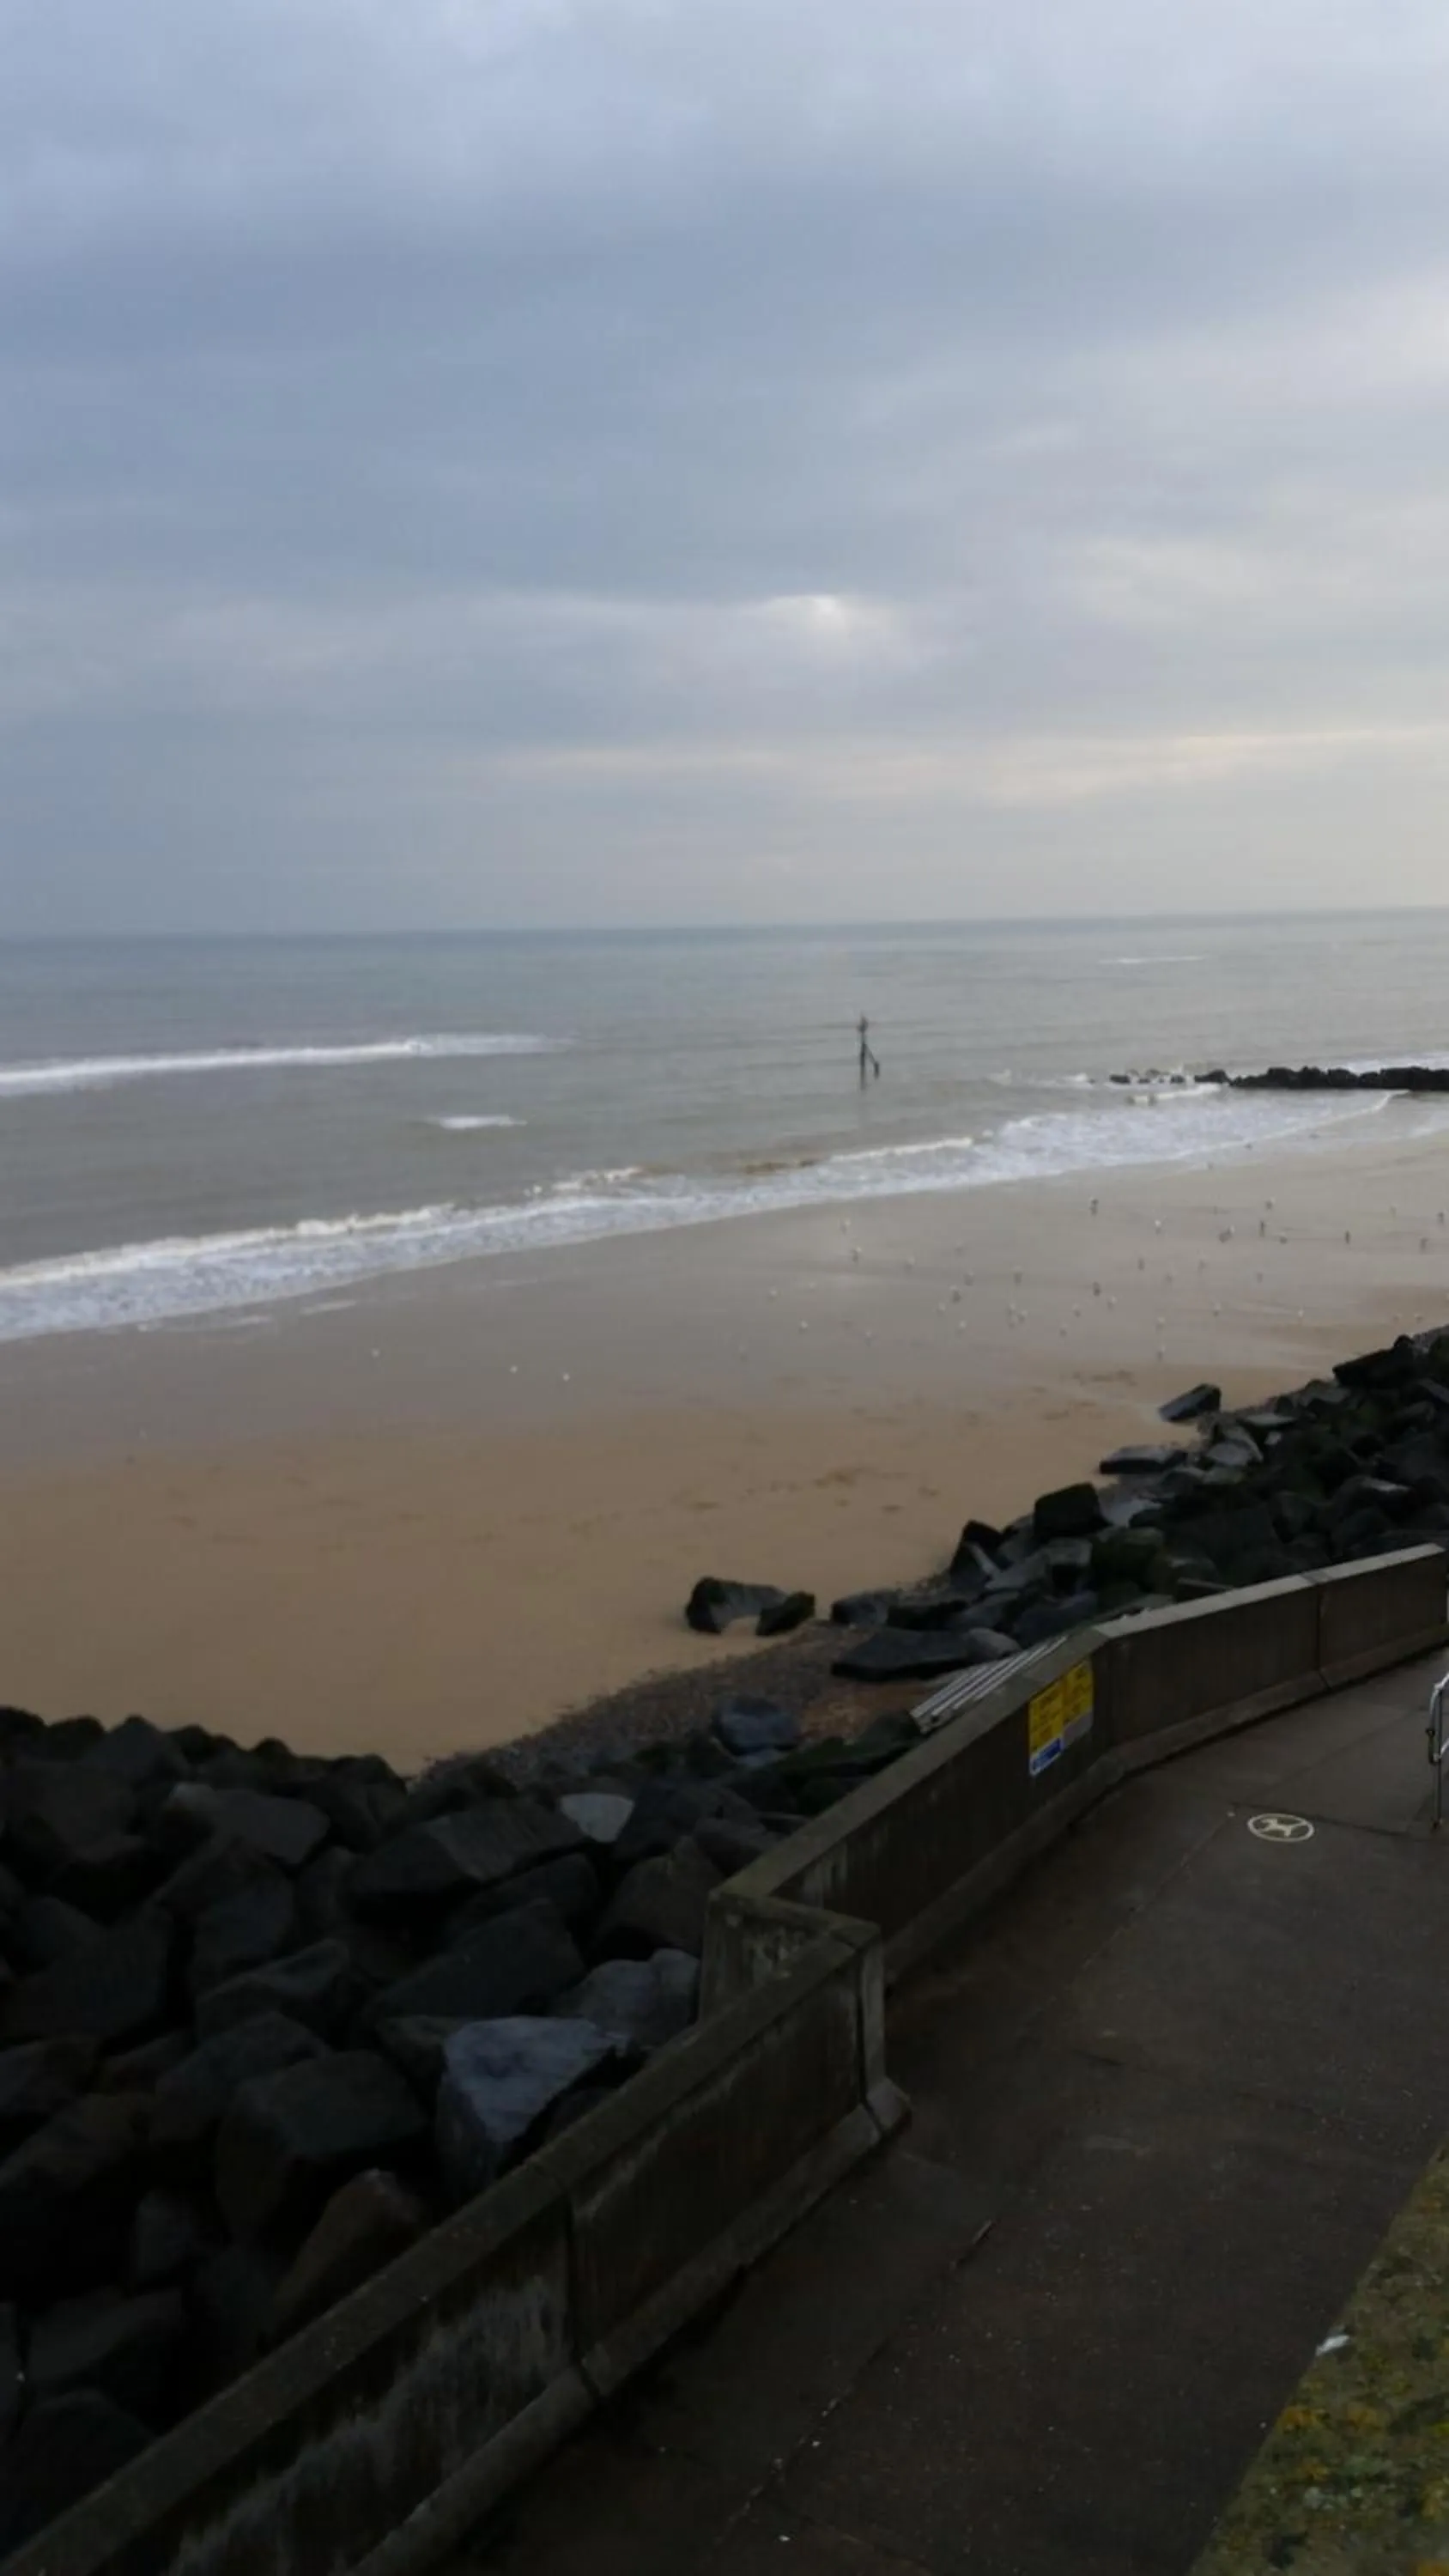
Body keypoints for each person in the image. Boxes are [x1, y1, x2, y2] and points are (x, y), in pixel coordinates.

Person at [858, 1014, 881, 1081]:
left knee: (866, 1055)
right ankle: (875, 1064)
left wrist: (862, 1023)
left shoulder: (863, 1026)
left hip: (863, 1043)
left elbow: (859, 1029)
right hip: (863, 1043)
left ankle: (875, 1064)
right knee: (868, 1054)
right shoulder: (864, 1026)